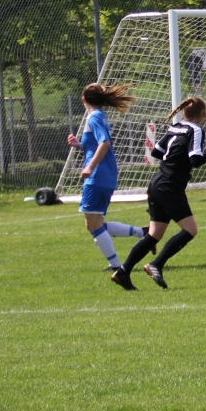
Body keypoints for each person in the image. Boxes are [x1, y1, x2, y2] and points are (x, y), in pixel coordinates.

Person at [112, 97, 206, 290]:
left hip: (157, 183)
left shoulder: (175, 127)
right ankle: (156, 264)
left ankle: (123, 272)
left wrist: (175, 159)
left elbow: (156, 152)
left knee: (154, 234)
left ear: (184, 112)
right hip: (170, 186)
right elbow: (195, 161)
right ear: (204, 113)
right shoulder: (195, 130)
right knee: (191, 230)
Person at [66, 83, 147, 272]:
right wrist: (80, 145)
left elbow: (104, 144)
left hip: (97, 177)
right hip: (106, 176)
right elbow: (97, 145)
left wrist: (89, 167)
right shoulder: (100, 116)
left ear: (83, 100)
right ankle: (142, 233)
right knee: (97, 224)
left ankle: (116, 266)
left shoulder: (94, 118)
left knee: (93, 226)